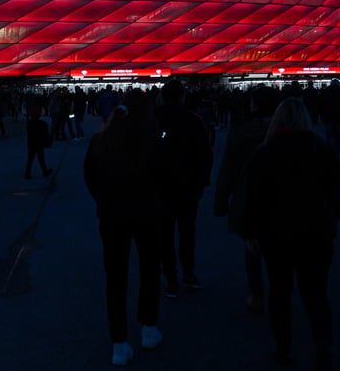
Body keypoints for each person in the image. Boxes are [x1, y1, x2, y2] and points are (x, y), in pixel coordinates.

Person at [243, 97, 340, 370]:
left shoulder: (263, 152)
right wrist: (331, 220)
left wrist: (250, 232)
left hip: (276, 235)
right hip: (316, 233)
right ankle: (323, 346)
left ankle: (283, 348)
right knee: (316, 291)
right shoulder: (322, 149)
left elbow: (251, 197)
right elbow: (338, 192)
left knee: (280, 291)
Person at [84, 90, 168, 366]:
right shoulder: (154, 143)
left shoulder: (101, 141)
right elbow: (168, 179)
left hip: (112, 216)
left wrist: (104, 201)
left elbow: (90, 177)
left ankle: (119, 344)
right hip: (148, 215)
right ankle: (148, 328)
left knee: (116, 278)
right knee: (150, 269)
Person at [213, 84, 281, 314]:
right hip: (284, 201)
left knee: (252, 247)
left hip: (249, 199)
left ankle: (257, 294)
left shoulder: (241, 132)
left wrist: (221, 203)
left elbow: (228, 170)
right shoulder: (292, 133)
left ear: (254, 104)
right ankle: (281, 294)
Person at [156, 80, 213, 297]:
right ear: (182, 96)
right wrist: (203, 181)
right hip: (188, 186)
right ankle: (189, 272)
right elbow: (205, 154)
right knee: (187, 230)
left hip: (162, 187)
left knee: (166, 233)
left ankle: (170, 278)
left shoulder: (155, 118)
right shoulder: (193, 119)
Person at [319, 80, 340, 159]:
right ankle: (336, 154)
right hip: (339, 117)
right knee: (338, 137)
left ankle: (328, 153)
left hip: (328, 117)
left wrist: (322, 116)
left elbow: (321, 105)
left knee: (329, 136)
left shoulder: (325, 91)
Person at [24, 107, 53, 179]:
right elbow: (46, 134)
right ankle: (44, 171)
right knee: (41, 158)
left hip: (31, 143)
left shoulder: (29, 123)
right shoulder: (42, 124)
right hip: (39, 143)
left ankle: (27, 172)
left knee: (30, 158)